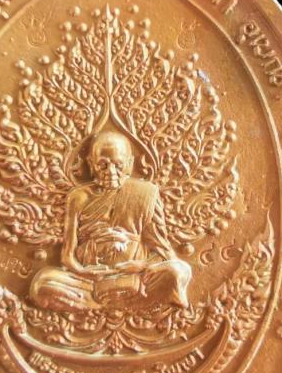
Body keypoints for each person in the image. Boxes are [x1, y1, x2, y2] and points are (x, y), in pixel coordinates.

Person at [29, 131, 191, 312]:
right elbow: (67, 256)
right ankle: (112, 304)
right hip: (89, 282)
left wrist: (141, 265)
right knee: (42, 284)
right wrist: (84, 271)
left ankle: (104, 303)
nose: (111, 172)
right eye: (103, 165)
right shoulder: (78, 196)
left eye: (118, 165)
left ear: (129, 164)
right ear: (91, 164)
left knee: (178, 271)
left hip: (135, 279)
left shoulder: (145, 193)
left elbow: (163, 252)